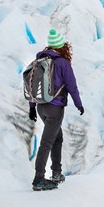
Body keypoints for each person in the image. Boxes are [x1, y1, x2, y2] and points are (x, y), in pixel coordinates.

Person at [28, 29, 84, 191]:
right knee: (46, 142)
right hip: (55, 108)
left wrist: (32, 107)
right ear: (62, 46)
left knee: (57, 137)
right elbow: (72, 86)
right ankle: (38, 179)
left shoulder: (39, 61)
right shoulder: (62, 63)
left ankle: (56, 173)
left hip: (41, 107)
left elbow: (33, 85)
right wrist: (79, 104)